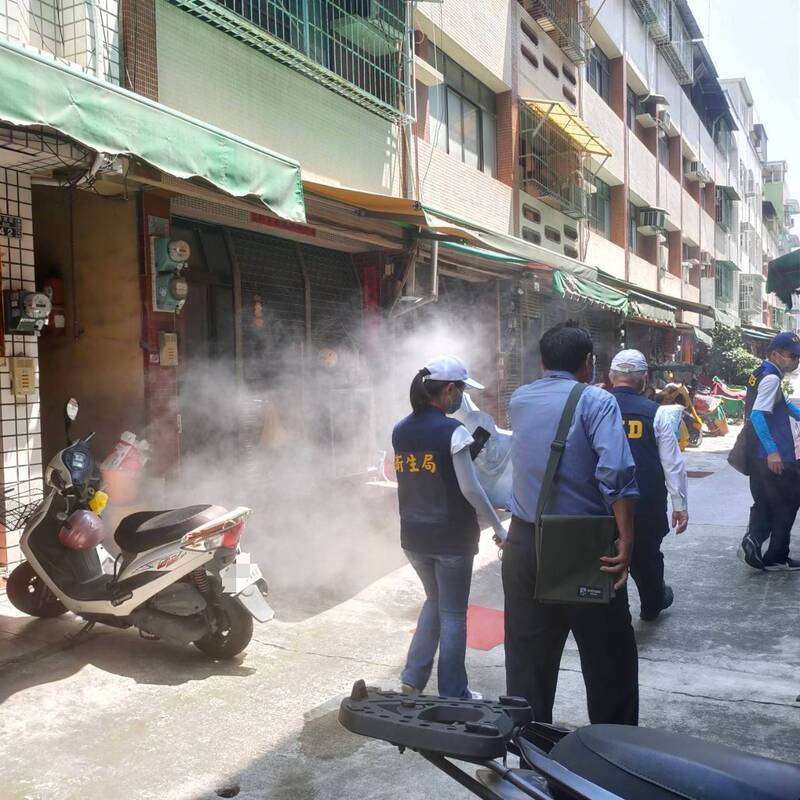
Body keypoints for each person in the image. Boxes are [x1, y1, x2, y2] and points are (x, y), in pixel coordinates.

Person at [504, 322, 640, 726]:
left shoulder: (518, 399)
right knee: (608, 661)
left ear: (543, 361)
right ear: (588, 364)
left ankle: (529, 755)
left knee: (527, 661)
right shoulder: (598, 402)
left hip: (524, 542)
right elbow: (615, 473)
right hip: (585, 547)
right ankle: (610, 760)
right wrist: (627, 541)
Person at [392, 355, 507, 699]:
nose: (460, 397)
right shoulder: (453, 431)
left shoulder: (400, 429)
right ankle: (455, 692)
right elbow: (470, 488)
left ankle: (412, 677)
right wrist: (500, 528)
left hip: (413, 536)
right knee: (454, 614)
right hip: (451, 539)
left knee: (434, 600)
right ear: (448, 391)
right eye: (459, 390)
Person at [608, 350, 689, 621]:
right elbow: (672, 462)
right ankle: (652, 603)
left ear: (610, 376)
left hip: (602, 504)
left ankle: (614, 611)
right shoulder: (657, 414)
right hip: (646, 503)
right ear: (644, 378)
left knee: (606, 558)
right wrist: (680, 504)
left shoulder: (593, 407)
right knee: (647, 557)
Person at [739, 332, 800, 572]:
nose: (796, 361)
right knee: (788, 502)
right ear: (775, 354)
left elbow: (782, 405)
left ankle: (754, 541)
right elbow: (757, 414)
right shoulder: (771, 378)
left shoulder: (763, 372)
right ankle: (773, 554)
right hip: (772, 456)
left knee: (767, 500)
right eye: (792, 356)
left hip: (759, 454)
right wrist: (773, 452)